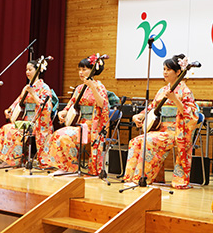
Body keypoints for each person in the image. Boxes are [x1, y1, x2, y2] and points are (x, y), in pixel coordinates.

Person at [124, 54, 199, 189]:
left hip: (175, 131)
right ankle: (130, 178)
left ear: (178, 72)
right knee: (135, 141)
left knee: (149, 141)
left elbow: (192, 115)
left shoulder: (185, 91)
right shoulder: (162, 91)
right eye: (163, 69)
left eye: (168, 69)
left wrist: (175, 99)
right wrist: (139, 116)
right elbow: (152, 108)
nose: (164, 72)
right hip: (160, 130)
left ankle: (142, 179)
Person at [40, 54, 109, 175]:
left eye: (84, 69)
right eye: (80, 70)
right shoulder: (79, 89)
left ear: (93, 70)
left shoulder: (99, 87)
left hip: (93, 126)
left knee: (64, 135)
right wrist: (63, 113)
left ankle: (70, 167)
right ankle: (65, 166)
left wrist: (92, 87)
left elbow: (103, 105)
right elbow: (69, 105)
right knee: (57, 134)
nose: (81, 72)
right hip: (80, 124)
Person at [0, 60, 53, 168]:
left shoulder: (44, 88)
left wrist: (33, 94)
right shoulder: (26, 87)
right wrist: (9, 110)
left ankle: (14, 161)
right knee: (7, 128)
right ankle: (7, 160)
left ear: (38, 71)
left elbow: (47, 107)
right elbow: (18, 101)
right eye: (26, 69)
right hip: (26, 120)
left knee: (15, 132)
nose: (27, 72)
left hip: (38, 121)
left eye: (30, 69)